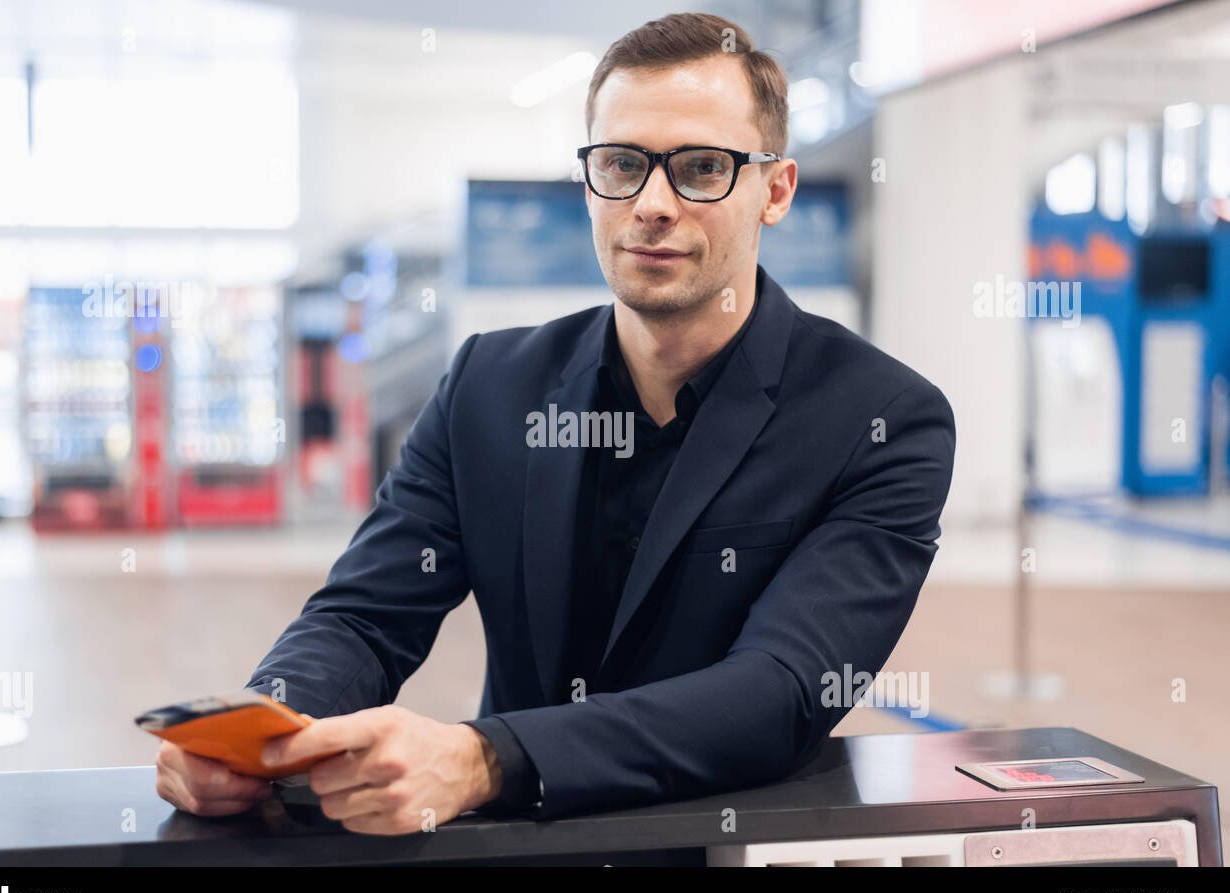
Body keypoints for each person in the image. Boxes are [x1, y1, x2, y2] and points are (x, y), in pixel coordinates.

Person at [156, 12, 955, 835]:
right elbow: (365, 617)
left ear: (775, 191)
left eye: (701, 168)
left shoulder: (880, 421)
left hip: (719, 848)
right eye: (622, 164)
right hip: (517, 854)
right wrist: (260, 733)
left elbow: (780, 691)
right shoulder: (489, 387)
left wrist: (484, 759)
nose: (652, 204)